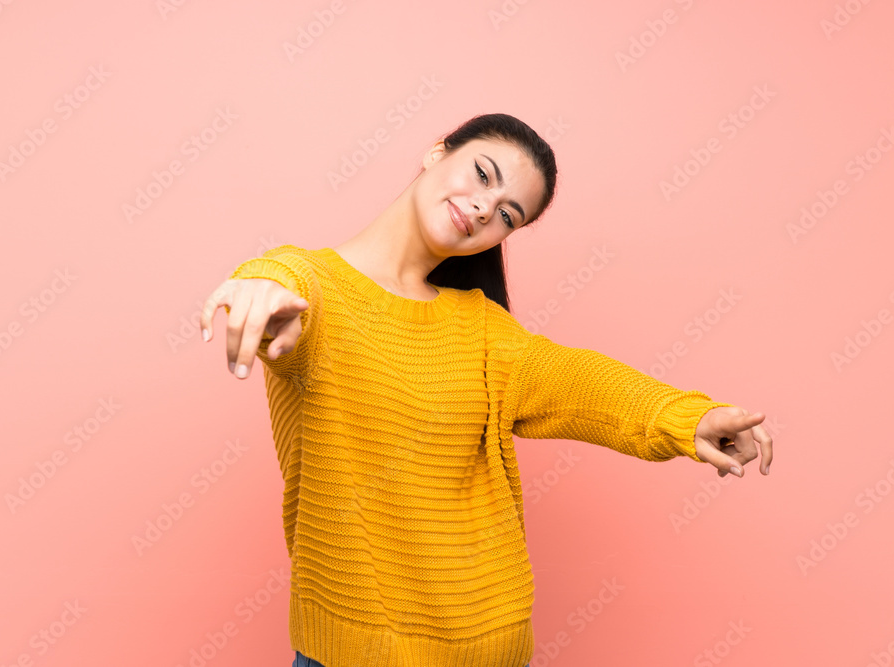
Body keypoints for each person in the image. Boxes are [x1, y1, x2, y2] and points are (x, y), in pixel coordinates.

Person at [200, 112, 774, 667]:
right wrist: (260, 289)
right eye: (482, 174)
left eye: (506, 213)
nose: (483, 208)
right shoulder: (315, 291)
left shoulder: (482, 327)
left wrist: (690, 418)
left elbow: (581, 383)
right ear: (437, 153)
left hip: (490, 650)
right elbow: (285, 277)